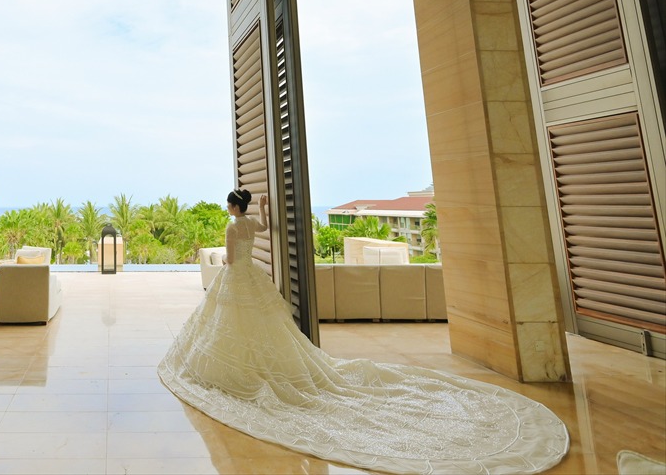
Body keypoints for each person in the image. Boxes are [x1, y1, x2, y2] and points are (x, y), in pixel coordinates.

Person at [158, 188, 569, 475]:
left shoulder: (232, 228)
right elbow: (263, 232)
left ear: (232, 206)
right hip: (255, 278)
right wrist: (264, 209)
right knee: (264, 327)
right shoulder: (250, 224)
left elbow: (230, 260)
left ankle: (237, 373)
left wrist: (229, 266)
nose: (228, 207)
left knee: (230, 327)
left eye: (228, 203)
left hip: (237, 278)